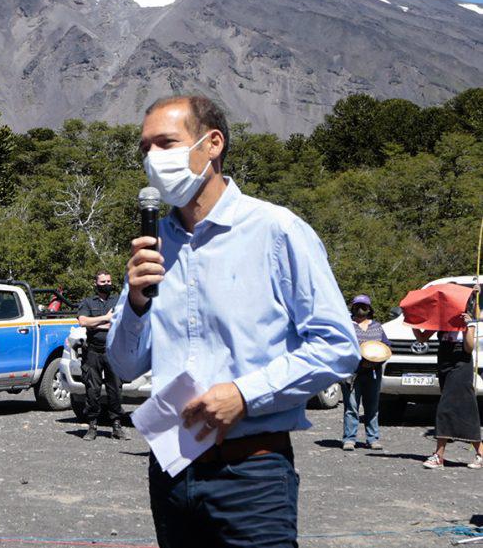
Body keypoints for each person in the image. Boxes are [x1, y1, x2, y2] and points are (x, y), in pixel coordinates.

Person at [107, 95, 359, 548]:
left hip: (252, 473)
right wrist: (137, 304)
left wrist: (246, 394)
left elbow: (338, 345)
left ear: (213, 144)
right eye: (145, 149)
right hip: (171, 471)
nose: (153, 159)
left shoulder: (276, 230)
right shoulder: (152, 245)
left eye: (166, 143)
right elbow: (124, 367)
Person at [415, 287, 481, 469]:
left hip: (461, 363)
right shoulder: (442, 318)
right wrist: (412, 319)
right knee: (465, 407)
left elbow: (468, 348)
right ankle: (481, 452)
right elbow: (422, 338)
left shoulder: (469, 319)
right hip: (444, 362)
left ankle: (439, 455)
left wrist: (469, 325)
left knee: (446, 406)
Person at [77, 270, 126, 441]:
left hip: (113, 351)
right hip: (93, 351)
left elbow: (122, 322)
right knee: (92, 389)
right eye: (103, 282)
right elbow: (83, 321)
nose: (107, 284)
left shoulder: (118, 300)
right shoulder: (88, 302)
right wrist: (106, 318)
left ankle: (117, 426)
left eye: (109, 281)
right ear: (96, 283)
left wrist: (96, 323)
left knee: (116, 390)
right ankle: (92, 426)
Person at [341, 294, 389, 451]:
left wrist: (375, 361)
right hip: (351, 373)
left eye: (364, 306)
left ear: (369, 309)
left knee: (372, 407)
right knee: (351, 407)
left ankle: (373, 439)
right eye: (358, 306)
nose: (361, 309)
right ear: (352, 308)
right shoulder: (346, 326)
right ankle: (349, 439)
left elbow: (386, 348)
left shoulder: (377, 327)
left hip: (373, 373)